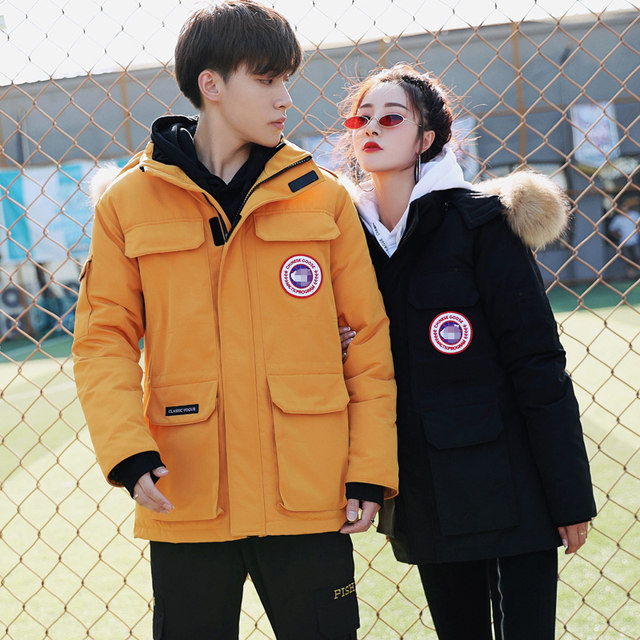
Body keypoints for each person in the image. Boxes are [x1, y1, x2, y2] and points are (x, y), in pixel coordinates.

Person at [72, 3, 398, 639]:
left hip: (309, 493)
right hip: (186, 489)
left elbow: (368, 340)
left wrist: (369, 467)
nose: (285, 98)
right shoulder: (126, 203)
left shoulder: (322, 196)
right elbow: (103, 339)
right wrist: (126, 450)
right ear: (211, 85)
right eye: (267, 79)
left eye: (286, 80)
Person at [337, 64, 596, 640]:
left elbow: (537, 363)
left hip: (512, 488)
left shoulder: (482, 224)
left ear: (426, 139)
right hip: (424, 489)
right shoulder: (344, 239)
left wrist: (568, 496)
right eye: (362, 118)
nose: (371, 128)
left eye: (392, 118)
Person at [608, 196, 640, 278]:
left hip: (635, 241)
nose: (624, 208)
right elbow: (611, 229)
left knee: (637, 257)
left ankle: (637, 274)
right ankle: (631, 275)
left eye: (625, 206)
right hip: (624, 242)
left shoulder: (634, 215)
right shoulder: (617, 219)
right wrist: (618, 236)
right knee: (627, 259)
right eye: (622, 206)